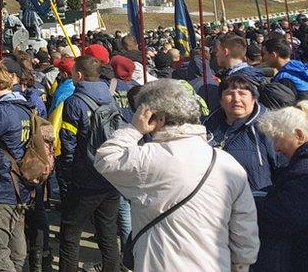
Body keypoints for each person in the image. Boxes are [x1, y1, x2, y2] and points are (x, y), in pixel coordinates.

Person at [94, 79, 260, 271]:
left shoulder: (149, 158)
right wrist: (241, 265)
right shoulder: (227, 163)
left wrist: (134, 129)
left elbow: (106, 158)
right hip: (214, 263)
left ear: (155, 118)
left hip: (160, 264)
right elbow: (244, 226)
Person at [57, 55, 123, 272]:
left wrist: (66, 173)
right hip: (111, 174)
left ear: (78, 74)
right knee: (108, 231)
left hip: (85, 177)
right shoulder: (110, 97)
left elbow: (68, 143)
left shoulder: (75, 102)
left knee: (70, 233)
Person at [0, 62, 34, 272]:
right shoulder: (24, 108)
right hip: (21, 185)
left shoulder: (2, 113)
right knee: (16, 246)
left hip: (2, 187)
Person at [255, 102, 308, 271]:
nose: (276, 148)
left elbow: (285, 215)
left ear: (299, 135)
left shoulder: (302, 172)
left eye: (278, 139)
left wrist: (251, 202)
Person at [204, 75, 279, 192]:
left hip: (258, 202)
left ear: (253, 99)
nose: (236, 99)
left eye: (242, 94)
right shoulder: (207, 126)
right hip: (216, 200)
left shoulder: (269, 128)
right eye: (229, 94)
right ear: (220, 100)